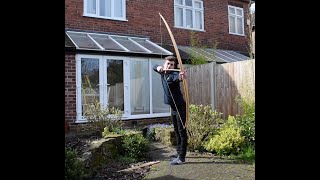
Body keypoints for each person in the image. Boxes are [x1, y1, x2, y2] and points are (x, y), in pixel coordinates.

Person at [153, 55, 188, 165]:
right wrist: (158, 68)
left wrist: (182, 76)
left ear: (174, 66)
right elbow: (154, 66)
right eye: (168, 63)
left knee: (182, 132)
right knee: (176, 130)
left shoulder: (173, 75)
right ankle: (178, 152)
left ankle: (181, 158)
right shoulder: (163, 72)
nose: (169, 66)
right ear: (164, 64)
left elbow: (177, 77)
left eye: (172, 65)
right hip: (173, 107)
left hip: (180, 106)